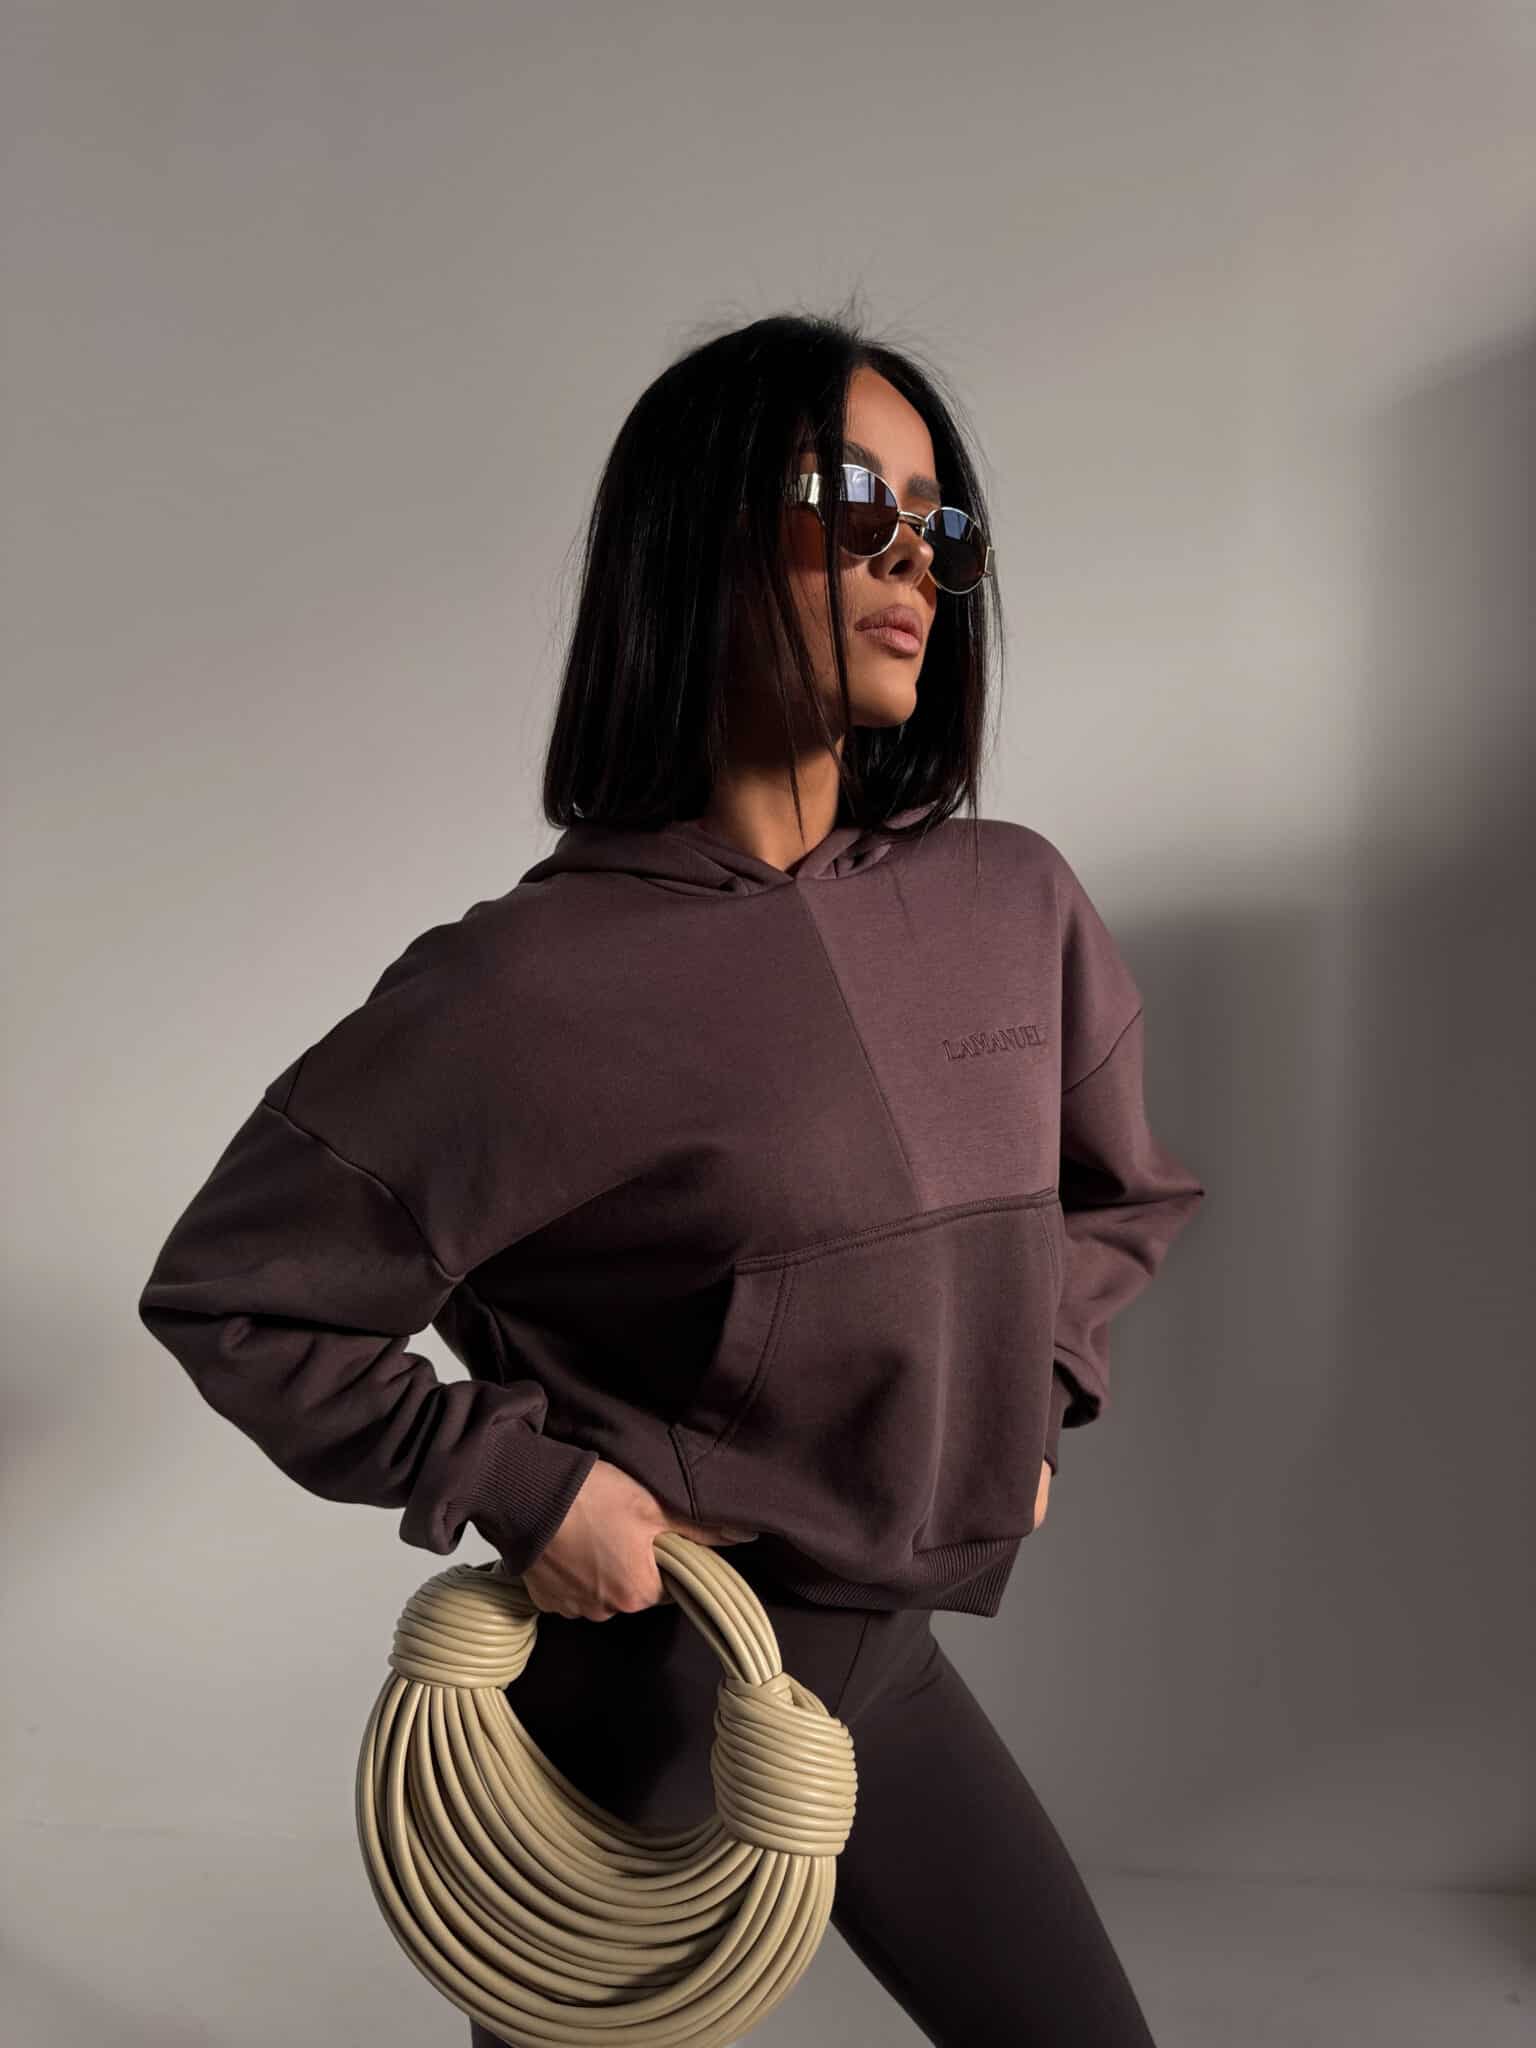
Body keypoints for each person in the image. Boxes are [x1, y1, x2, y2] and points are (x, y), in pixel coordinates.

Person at [138, 307, 1206, 2046]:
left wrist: (1041, 1387)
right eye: (845, 502)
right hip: (634, 1695)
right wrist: (522, 1483)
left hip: (877, 1668)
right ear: (696, 537)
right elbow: (234, 1298)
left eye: (937, 521)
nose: (909, 559)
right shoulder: (523, 989)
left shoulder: (1013, 901)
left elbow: (1121, 1194)